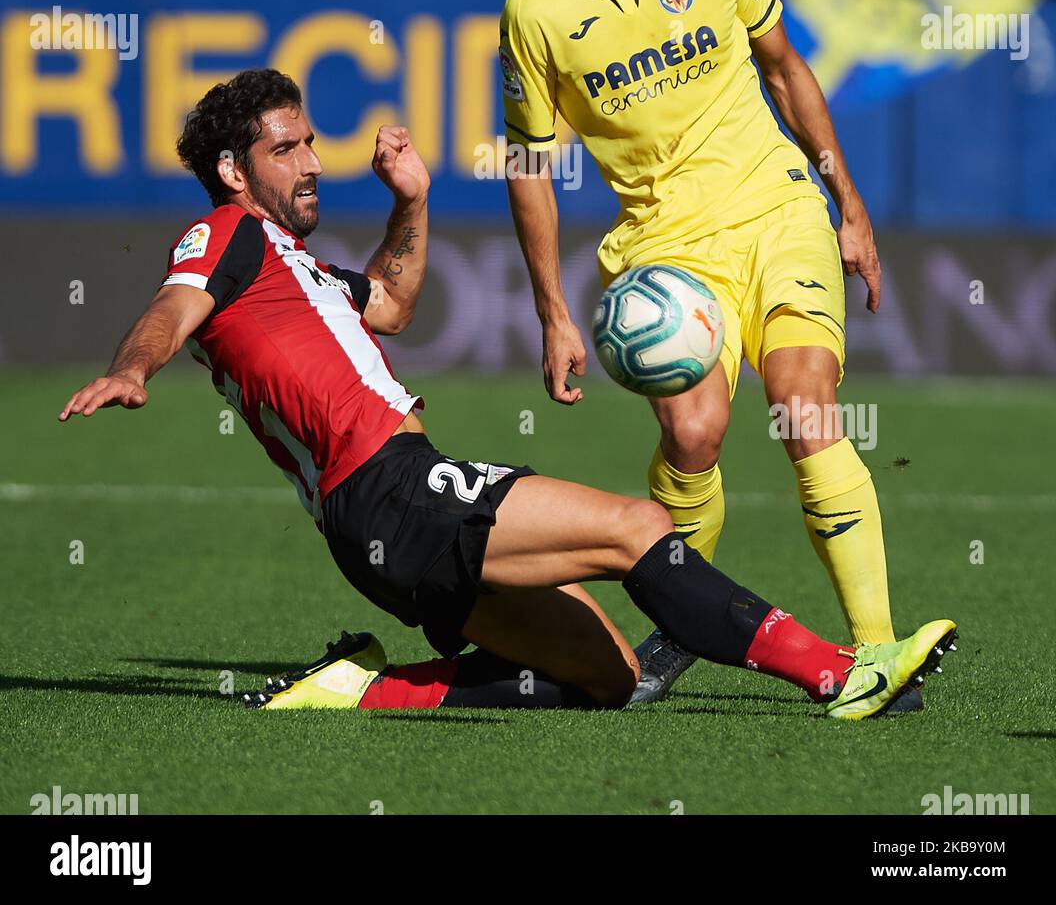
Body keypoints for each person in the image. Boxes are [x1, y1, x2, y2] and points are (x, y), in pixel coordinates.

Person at [58, 69, 955, 717]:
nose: (309, 163)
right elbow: (173, 308)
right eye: (283, 150)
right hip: (392, 491)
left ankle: (362, 688)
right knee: (639, 529)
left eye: (308, 144)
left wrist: (410, 200)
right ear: (231, 171)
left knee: (605, 676)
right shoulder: (223, 238)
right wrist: (133, 368)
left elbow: (395, 305)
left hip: (380, 524)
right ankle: (842, 673)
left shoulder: (296, 268)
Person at [498, 0, 915, 706]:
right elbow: (529, 166)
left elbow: (784, 67)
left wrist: (846, 199)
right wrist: (552, 310)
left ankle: (878, 651)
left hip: (776, 207)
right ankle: (684, 617)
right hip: (664, 247)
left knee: (804, 406)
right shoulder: (533, 11)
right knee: (694, 435)